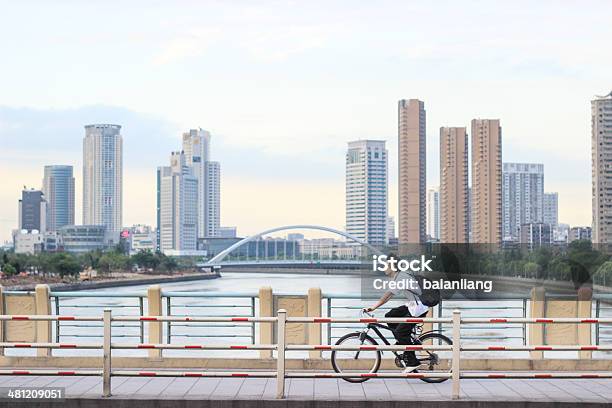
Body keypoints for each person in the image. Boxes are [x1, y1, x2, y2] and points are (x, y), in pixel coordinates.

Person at [364, 260, 429, 372]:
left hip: (418, 309)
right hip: (412, 305)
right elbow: (390, 295)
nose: (383, 268)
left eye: (385, 266)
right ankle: (402, 340)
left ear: (392, 267)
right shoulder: (399, 276)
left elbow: (387, 294)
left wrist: (374, 307)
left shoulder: (401, 277)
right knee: (390, 316)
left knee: (400, 332)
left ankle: (413, 362)